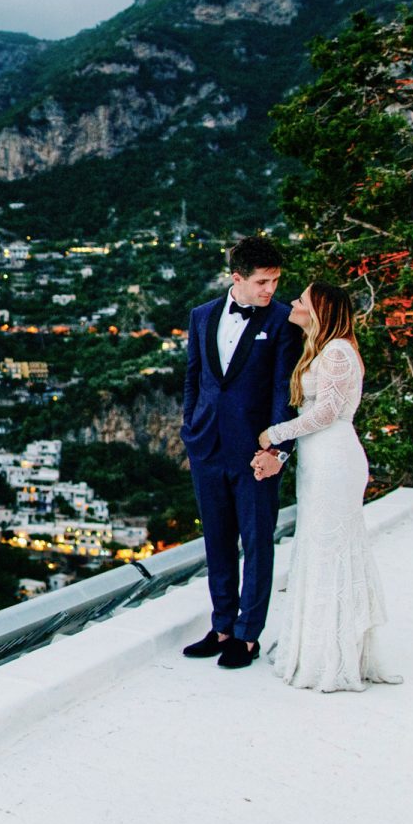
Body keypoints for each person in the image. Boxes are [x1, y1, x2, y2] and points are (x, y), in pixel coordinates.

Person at [257, 282, 401, 692]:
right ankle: (319, 645)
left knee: (331, 550)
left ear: (319, 310)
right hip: (318, 461)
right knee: (319, 547)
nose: (295, 303)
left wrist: (274, 433)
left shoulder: (337, 352)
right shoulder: (323, 349)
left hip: (335, 460)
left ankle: (330, 655)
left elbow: (327, 413)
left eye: (302, 300)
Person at [179, 236, 303, 668]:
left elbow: (283, 391)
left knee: (256, 542)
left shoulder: (286, 320)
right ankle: (222, 626)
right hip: (207, 447)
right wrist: (189, 431)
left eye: (275, 281)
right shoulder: (202, 316)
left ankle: (248, 635)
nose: (271, 289)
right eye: (263, 281)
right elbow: (194, 378)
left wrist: (278, 449)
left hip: (256, 452)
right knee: (216, 542)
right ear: (237, 278)